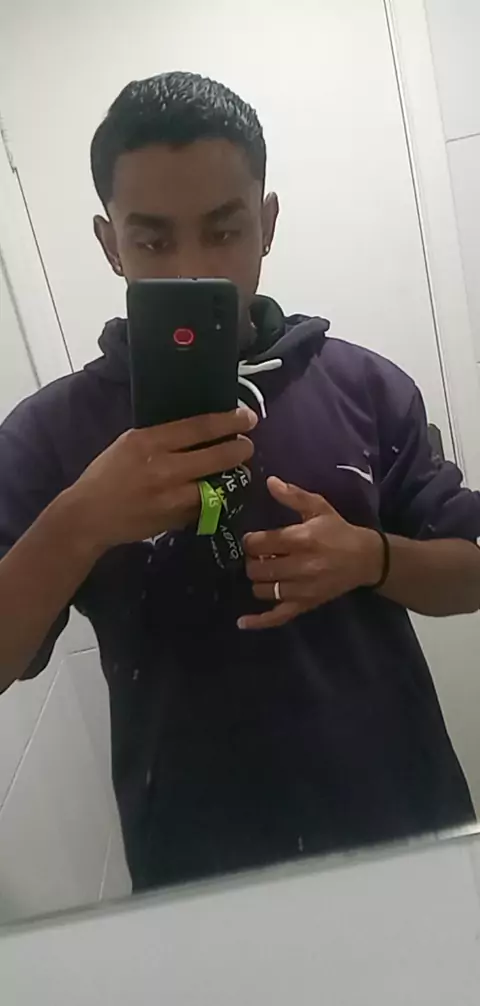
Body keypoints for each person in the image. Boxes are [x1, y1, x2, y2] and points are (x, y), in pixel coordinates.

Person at [1, 72, 480, 891]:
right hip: (197, 872)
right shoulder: (50, 435)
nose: (194, 271)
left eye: (224, 231)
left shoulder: (366, 387)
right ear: (110, 244)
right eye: (153, 242)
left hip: (404, 825)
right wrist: (80, 521)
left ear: (267, 224)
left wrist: (373, 559)